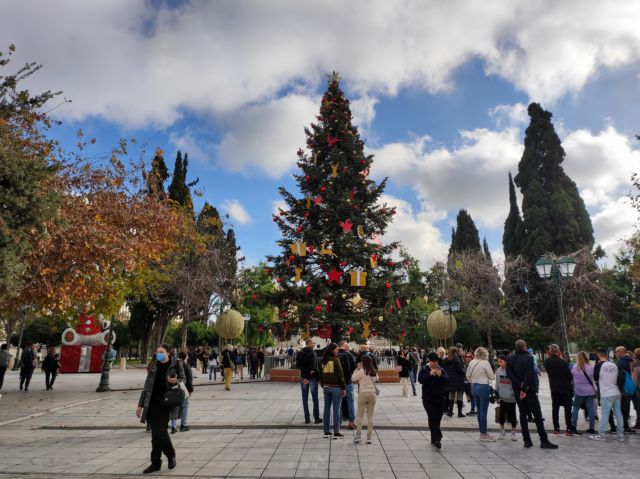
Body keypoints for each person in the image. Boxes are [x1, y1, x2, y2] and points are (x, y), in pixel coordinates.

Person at [136, 344, 185, 474]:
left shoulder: (176, 364)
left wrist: (175, 381)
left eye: (161, 352)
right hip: (151, 403)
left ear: (168, 353)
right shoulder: (153, 365)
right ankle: (155, 463)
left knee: (160, 430)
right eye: (157, 352)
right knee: (155, 434)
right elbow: (146, 386)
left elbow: (184, 380)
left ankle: (170, 455)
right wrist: (140, 405)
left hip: (166, 402)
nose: (158, 354)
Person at [507, 339, 557, 449]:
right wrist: (524, 388)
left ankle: (527, 440)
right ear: (524, 346)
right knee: (537, 415)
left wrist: (520, 386)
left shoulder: (510, 359)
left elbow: (509, 374)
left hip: (517, 390)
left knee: (522, 414)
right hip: (529, 390)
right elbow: (529, 374)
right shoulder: (529, 357)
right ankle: (543, 440)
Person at [590, 347, 624, 442]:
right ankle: (620, 435)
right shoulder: (614, 364)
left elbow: (596, 378)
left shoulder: (598, 366)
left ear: (598, 355)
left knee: (605, 414)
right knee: (618, 414)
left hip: (606, 393)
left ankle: (601, 435)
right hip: (616, 392)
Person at [418, 352, 448, 449]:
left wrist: (441, 376)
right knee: (432, 417)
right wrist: (429, 374)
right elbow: (420, 380)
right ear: (429, 361)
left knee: (437, 419)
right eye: (433, 362)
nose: (434, 364)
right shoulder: (424, 369)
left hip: (439, 398)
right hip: (428, 399)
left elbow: (447, 381)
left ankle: (433, 437)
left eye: (436, 362)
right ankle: (437, 438)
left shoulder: (441, 369)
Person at [543, 344, 575, 435]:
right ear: (558, 351)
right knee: (567, 409)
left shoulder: (547, 362)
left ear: (550, 351)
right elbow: (570, 376)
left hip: (554, 388)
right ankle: (568, 429)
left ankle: (556, 428)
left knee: (555, 408)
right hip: (565, 389)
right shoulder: (562, 362)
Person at [466, 347, 496, 441]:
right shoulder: (485, 363)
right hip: (483, 387)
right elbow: (492, 376)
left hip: (474, 387)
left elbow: (467, 375)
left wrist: (473, 380)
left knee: (479, 411)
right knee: (483, 412)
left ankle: (481, 432)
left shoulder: (472, 362)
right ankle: (484, 434)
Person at [320, 342, 346, 439]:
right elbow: (340, 375)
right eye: (336, 349)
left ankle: (326, 431)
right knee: (336, 409)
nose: (337, 350)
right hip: (336, 387)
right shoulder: (336, 360)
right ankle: (336, 431)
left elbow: (321, 374)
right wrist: (343, 388)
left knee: (326, 408)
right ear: (332, 350)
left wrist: (323, 385)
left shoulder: (323, 361)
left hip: (326, 387)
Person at [351, 355, 378, 444]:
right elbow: (377, 379)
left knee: (360, 416)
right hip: (372, 394)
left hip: (363, 394)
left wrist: (357, 369)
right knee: (370, 416)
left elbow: (353, 378)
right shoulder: (374, 371)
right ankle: (369, 437)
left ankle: (358, 435)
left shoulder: (361, 371)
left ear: (363, 362)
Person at [296, 339, 321, 425]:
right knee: (315, 398)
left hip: (303, 377)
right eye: (313, 343)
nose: (314, 344)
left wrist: (305, 375)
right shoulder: (312, 353)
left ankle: (307, 418)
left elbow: (297, 365)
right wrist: (309, 375)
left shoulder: (300, 353)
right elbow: (312, 366)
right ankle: (316, 418)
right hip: (311, 378)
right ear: (309, 344)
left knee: (305, 399)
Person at [571, 351, 596, 434]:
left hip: (578, 391)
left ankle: (573, 426)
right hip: (590, 391)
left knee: (575, 408)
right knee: (590, 409)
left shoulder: (574, 367)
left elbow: (571, 378)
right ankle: (592, 428)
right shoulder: (591, 367)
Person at [495, 355, 518, 440]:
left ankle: (513, 432)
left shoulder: (512, 370)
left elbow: (515, 382)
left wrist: (514, 393)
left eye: (501, 361)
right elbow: (497, 383)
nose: (499, 363)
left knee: (512, 414)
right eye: (498, 361)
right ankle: (502, 431)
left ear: (506, 361)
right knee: (501, 414)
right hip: (502, 396)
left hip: (511, 396)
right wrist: (497, 394)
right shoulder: (498, 371)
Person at [613, 346, 636, 433]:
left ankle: (625, 426)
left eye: (616, 352)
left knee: (623, 408)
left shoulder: (620, 363)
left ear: (621, 352)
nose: (615, 353)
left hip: (623, 388)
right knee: (627, 407)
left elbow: (618, 377)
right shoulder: (632, 360)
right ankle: (626, 426)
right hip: (632, 387)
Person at [171, 351, 193, 434]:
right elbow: (189, 379)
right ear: (185, 357)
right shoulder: (186, 366)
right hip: (184, 388)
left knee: (174, 407)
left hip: (173, 388)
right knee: (185, 406)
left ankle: (174, 426)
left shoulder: (173, 364)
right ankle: (183, 425)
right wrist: (190, 390)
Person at [442, 347, 466, 417]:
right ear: (455, 352)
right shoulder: (456, 360)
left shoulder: (445, 360)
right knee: (459, 395)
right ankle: (459, 412)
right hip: (458, 380)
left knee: (451, 395)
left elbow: (443, 369)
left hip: (449, 380)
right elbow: (459, 370)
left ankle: (450, 412)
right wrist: (464, 371)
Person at [338, 341, 356, 428]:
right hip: (348, 381)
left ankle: (339, 421)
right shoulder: (349, 355)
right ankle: (351, 421)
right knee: (351, 401)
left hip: (338, 382)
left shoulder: (336, 355)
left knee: (339, 402)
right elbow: (353, 366)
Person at [464, 351, 476, 416]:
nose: (467, 358)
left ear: (472, 358)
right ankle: (473, 409)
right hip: (465, 382)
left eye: (469, 357)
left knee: (472, 396)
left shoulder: (473, 365)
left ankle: (473, 410)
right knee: (470, 396)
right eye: (466, 356)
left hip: (471, 382)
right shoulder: (465, 364)